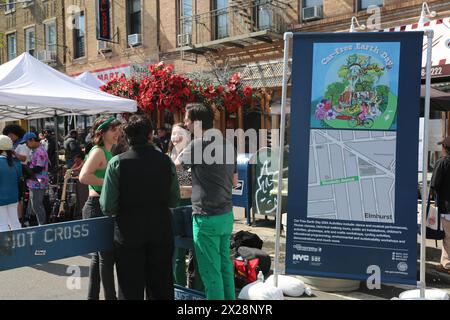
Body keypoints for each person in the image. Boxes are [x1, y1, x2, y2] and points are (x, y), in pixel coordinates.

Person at [100, 115, 180, 300]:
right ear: (151, 135)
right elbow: (174, 200)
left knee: (130, 289)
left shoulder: (117, 163)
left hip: (128, 234)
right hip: (161, 230)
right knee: (161, 288)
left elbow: (107, 206)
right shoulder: (166, 161)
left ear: (126, 138)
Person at [175, 102, 237, 300]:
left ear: (197, 123)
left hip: (206, 218)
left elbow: (175, 167)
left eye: (187, 120)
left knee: (211, 274)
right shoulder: (227, 143)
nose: (185, 124)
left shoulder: (198, 144)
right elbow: (234, 181)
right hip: (226, 215)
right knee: (225, 267)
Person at [79, 115, 121, 300]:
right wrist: (108, 183)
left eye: (118, 129)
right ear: (101, 133)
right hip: (96, 206)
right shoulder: (99, 151)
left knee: (100, 258)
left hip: (102, 206)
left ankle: (92, 297)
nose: (117, 133)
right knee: (106, 257)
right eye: (113, 130)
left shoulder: (108, 150)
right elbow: (83, 176)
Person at [431, 136, 450, 275]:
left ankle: (447, 265)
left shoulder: (442, 162)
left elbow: (435, 184)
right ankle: (445, 262)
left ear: (445, 148)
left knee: (448, 236)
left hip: (447, 206)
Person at [23, 132, 49, 226]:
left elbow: (39, 167)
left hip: (38, 183)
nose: (26, 145)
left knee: (37, 205)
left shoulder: (40, 151)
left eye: (26, 143)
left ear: (32, 140)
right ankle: (28, 220)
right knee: (33, 204)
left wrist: (26, 171)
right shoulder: (36, 150)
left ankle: (42, 225)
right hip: (34, 182)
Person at [0, 135, 23, 232]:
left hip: (1, 198)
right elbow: (18, 179)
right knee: (15, 222)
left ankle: (6, 247)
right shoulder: (16, 162)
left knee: (2, 224)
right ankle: (19, 245)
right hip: (14, 196)